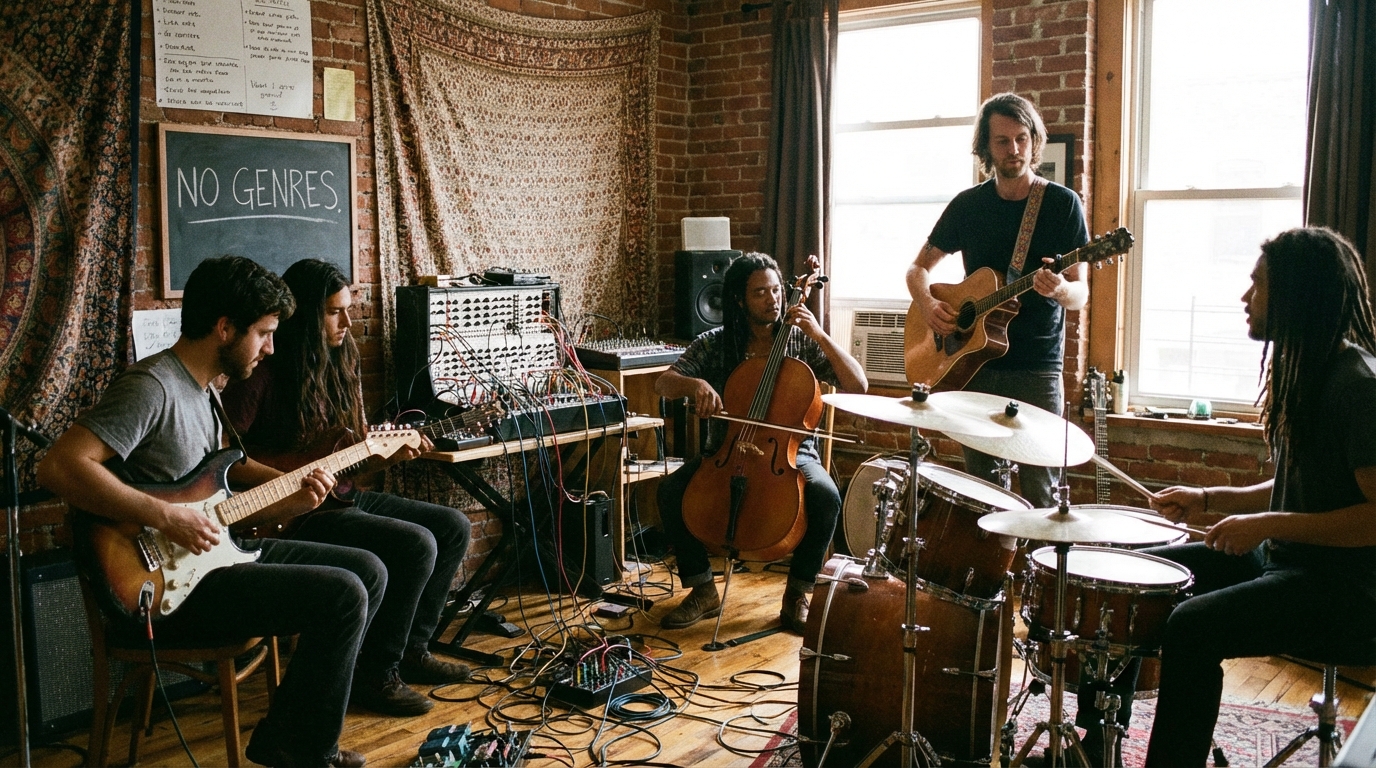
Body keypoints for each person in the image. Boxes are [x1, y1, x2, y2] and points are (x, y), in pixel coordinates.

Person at [37, 256, 380, 768]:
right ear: (224, 328)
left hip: (215, 558)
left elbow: (220, 481)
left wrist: (295, 491)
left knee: (368, 570)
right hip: (169, 585)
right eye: (263, 333)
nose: (270, 347)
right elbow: (60, 467)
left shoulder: (207, 392)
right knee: (342, 594)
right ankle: (304, 751)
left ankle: (288, 734)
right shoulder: (151, 387)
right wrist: (164, 516)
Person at [1073, 227, 1376, 767]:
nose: (1244, 297)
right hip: (1289, 563)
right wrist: (1208, 497)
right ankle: (1094, 745)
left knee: (1192, 626)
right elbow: (1297, 489)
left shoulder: (1356, 386)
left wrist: (1265, 526)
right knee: (1132, 579)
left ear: (1295, 295)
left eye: (1257, 285)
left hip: (1345, 593)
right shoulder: (1305, 367)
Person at [221, 258, 472, 717]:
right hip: (290, 514)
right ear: (306, 314)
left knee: (452, 526)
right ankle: (375, 675)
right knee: (415, 544)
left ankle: (411, 651)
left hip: (337, 495)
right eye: (335, 311)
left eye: (347, 309)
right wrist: (289, 483)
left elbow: (349, 456)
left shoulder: (342, 362)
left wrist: (385, 454)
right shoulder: (262, 373)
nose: (347, 321)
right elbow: (225, 459)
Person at [653, 252, 867, 633]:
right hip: (726, 450)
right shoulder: (715, 343)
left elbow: (857, 384)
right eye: (759, 294)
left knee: (826, 496)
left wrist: (819, 334)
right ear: (739, 299)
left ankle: (797, 593)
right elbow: (664, 382)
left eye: (775, 291)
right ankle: (702, 590)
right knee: (671, 490)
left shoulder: (800, 342)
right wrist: (695, 384)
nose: (772, 300)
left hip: (790, 452)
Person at [905, 92, 1089, 507]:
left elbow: (1080, 293)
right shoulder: (968, 206)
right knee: (985, 493)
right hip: (973, 365)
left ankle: (1040, 570)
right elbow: (917, 270)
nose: (1015, 150)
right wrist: (929, 306)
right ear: (986, 148)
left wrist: (1059, 290)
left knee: (1043, 492)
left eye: (1022, 138)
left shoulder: (1062, 205)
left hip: (1037, 367)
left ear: (1034, 140)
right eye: (1003, 141)